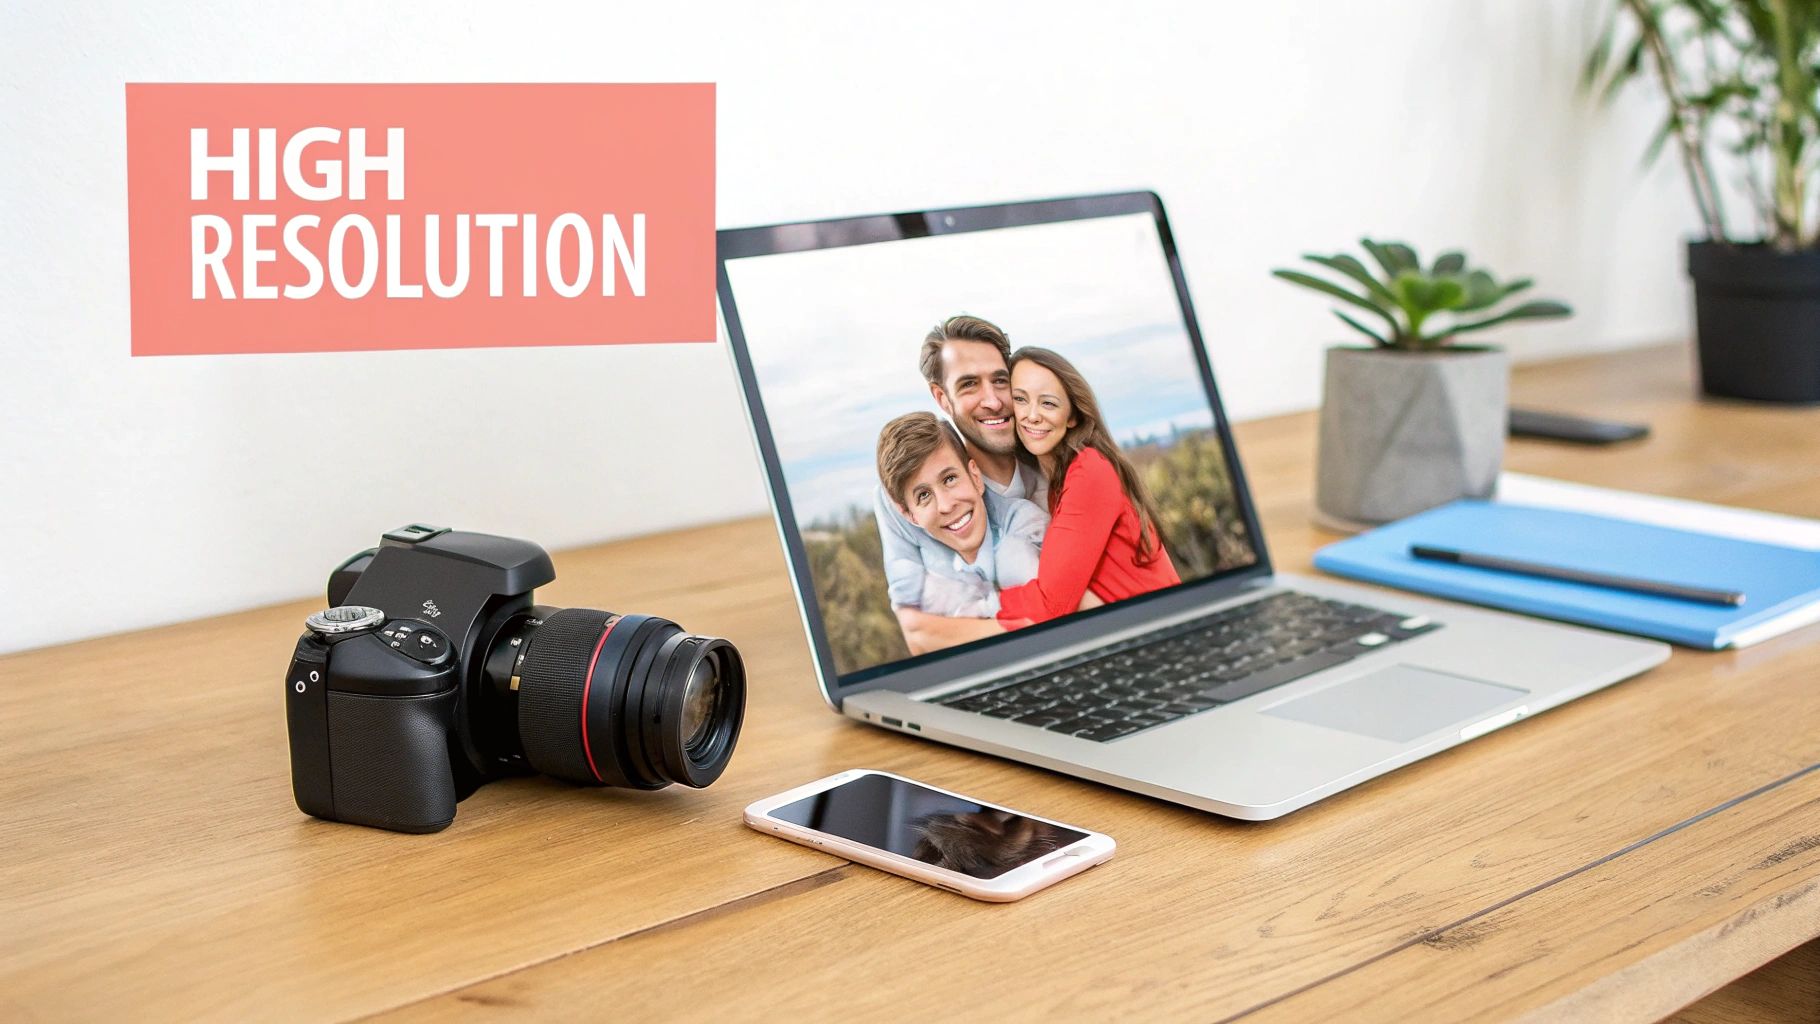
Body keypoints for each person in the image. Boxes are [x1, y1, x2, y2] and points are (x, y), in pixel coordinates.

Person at [875, 316, 1051, 650]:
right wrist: (1021, 630)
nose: (993, 401)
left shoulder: (1055, 468)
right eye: (969, 384)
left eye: (1000, 381)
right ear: (942, 398)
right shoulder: (899, 495)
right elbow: (917, 633)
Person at [996, 346, 1180, 624]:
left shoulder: (1090, 469)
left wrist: (980, 604)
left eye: (1048, 403)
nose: (1031, 415)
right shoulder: (1060, 483)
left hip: (1163, 630)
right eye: (1020, 399)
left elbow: (1053, 604)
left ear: (1072, 416)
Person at [873, 412, 1045, 629]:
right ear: (911, 516)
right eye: (924, 495)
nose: (946, 506)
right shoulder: (935, 575)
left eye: (950, 479)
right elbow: (916, 631)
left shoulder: (1025, 528)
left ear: (975, 477)